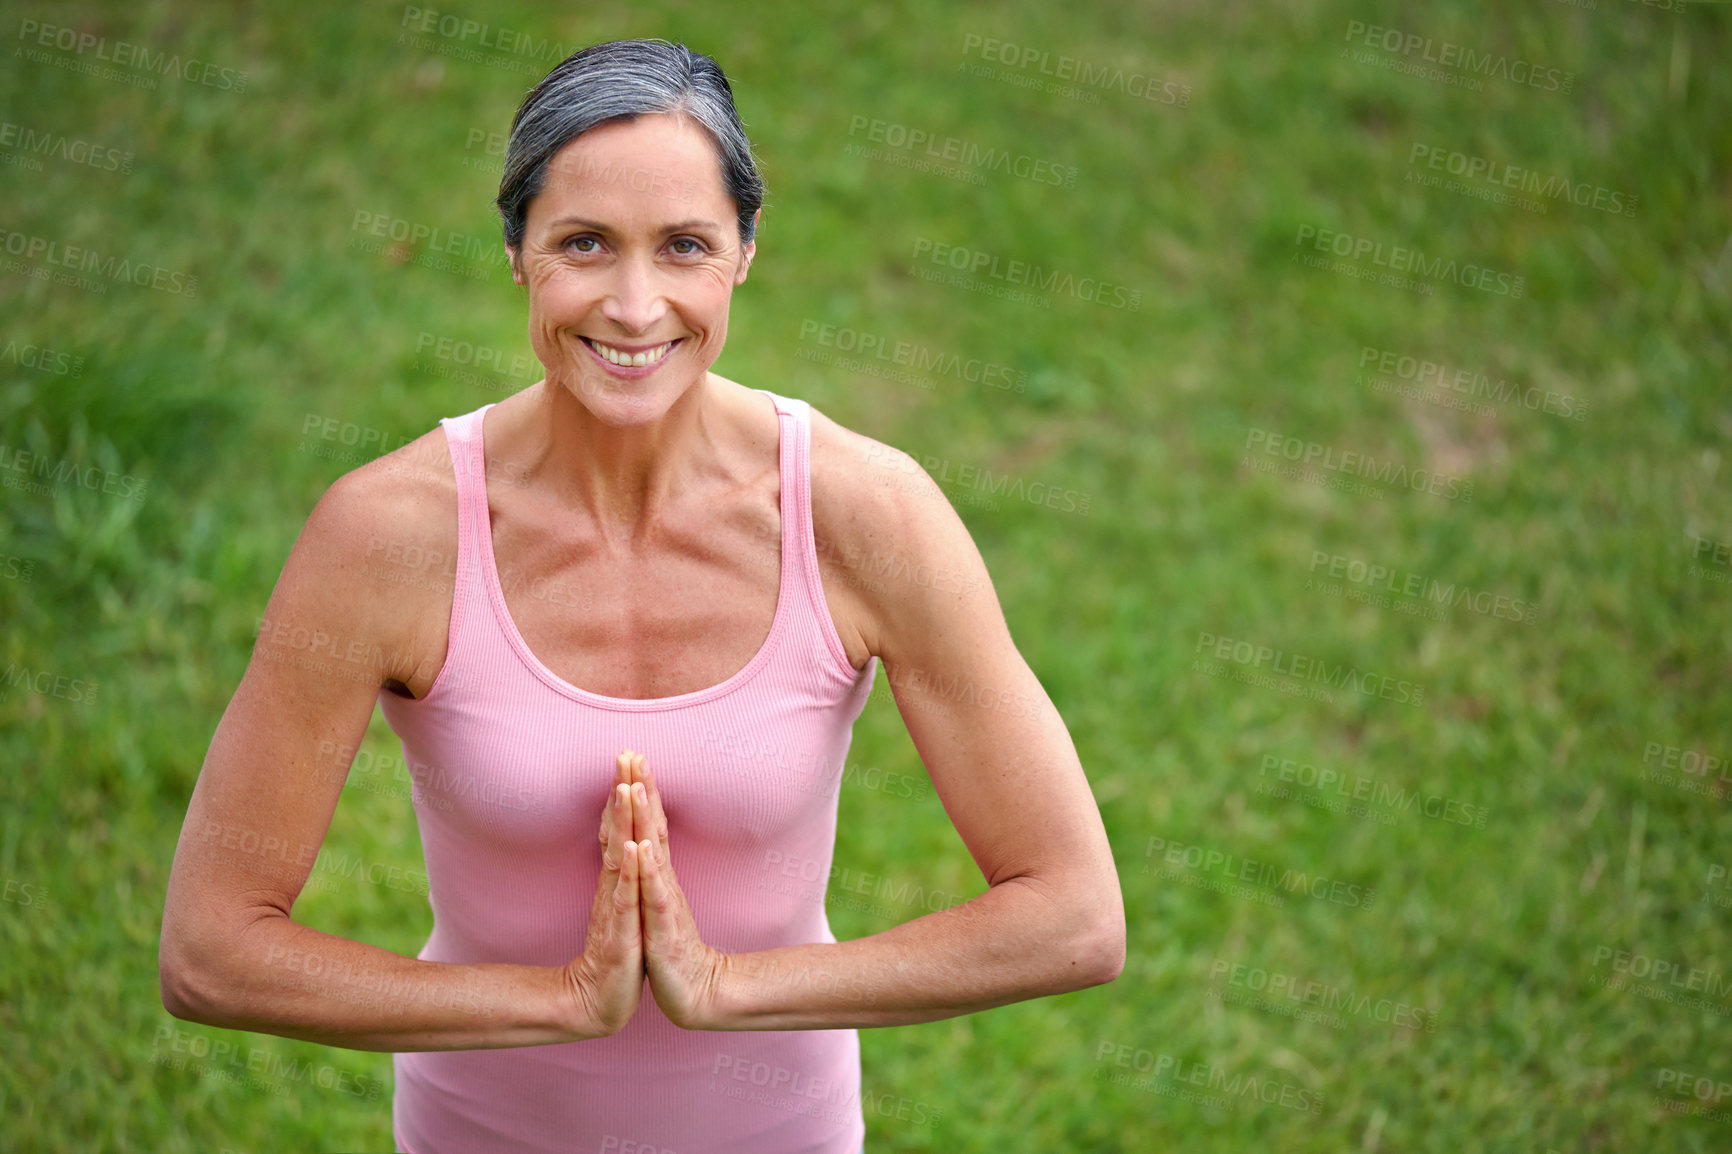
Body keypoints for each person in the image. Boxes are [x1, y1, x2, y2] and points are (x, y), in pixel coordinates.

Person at [159, 38, 1123, 1154]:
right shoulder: (388, 535)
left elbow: (1073, 913)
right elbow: (211, 945)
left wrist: (724, 986)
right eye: (583, 244)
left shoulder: (865, 514)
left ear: (745, 253)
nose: (632, 305)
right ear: (516, 250)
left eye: (683, 247)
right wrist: (561, 998)